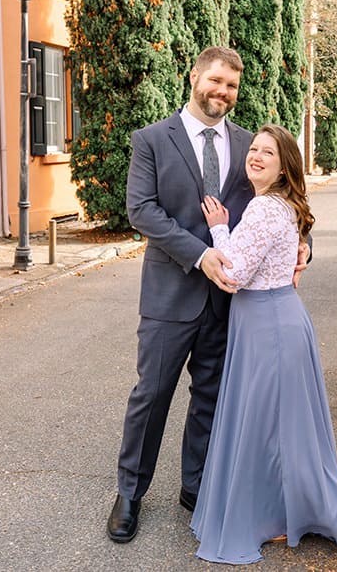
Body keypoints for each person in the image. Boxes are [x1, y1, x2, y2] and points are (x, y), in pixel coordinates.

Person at [191, 124, 337, 563]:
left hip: (268, 324)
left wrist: (219, 229)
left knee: (288, 433)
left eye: (267, 152)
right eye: (252, 149)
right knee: (274, 428)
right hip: (271, 320)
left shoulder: (264, 209)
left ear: (284, 164)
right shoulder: (275, 204)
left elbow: (233, 275)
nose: (255, 156)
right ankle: (276, 515)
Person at [107, 46, 257, 544]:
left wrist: (301, 241)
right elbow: (142, 210)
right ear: (193, 76)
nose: (222, 92)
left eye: (231, 85)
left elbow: (275, 202)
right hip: (171, 294)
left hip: (225, 299)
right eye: (215, 80)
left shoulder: (247, 143)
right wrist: (199, 253)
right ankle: (130, 492)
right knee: (151, 396)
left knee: (210, 397)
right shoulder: (151, 139)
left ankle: (196, 486)